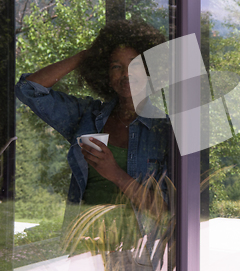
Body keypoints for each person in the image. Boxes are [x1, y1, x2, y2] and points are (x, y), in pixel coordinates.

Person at [15, 20, 171, 270]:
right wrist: (89, 54)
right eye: (116, 67)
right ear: (106, 75)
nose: (126, 74)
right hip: (85, 245)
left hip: (137, 251)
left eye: (135, 66)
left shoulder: (164, 130)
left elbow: (165, 211)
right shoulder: (87, 116)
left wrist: (116, 175)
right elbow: (28, 89)